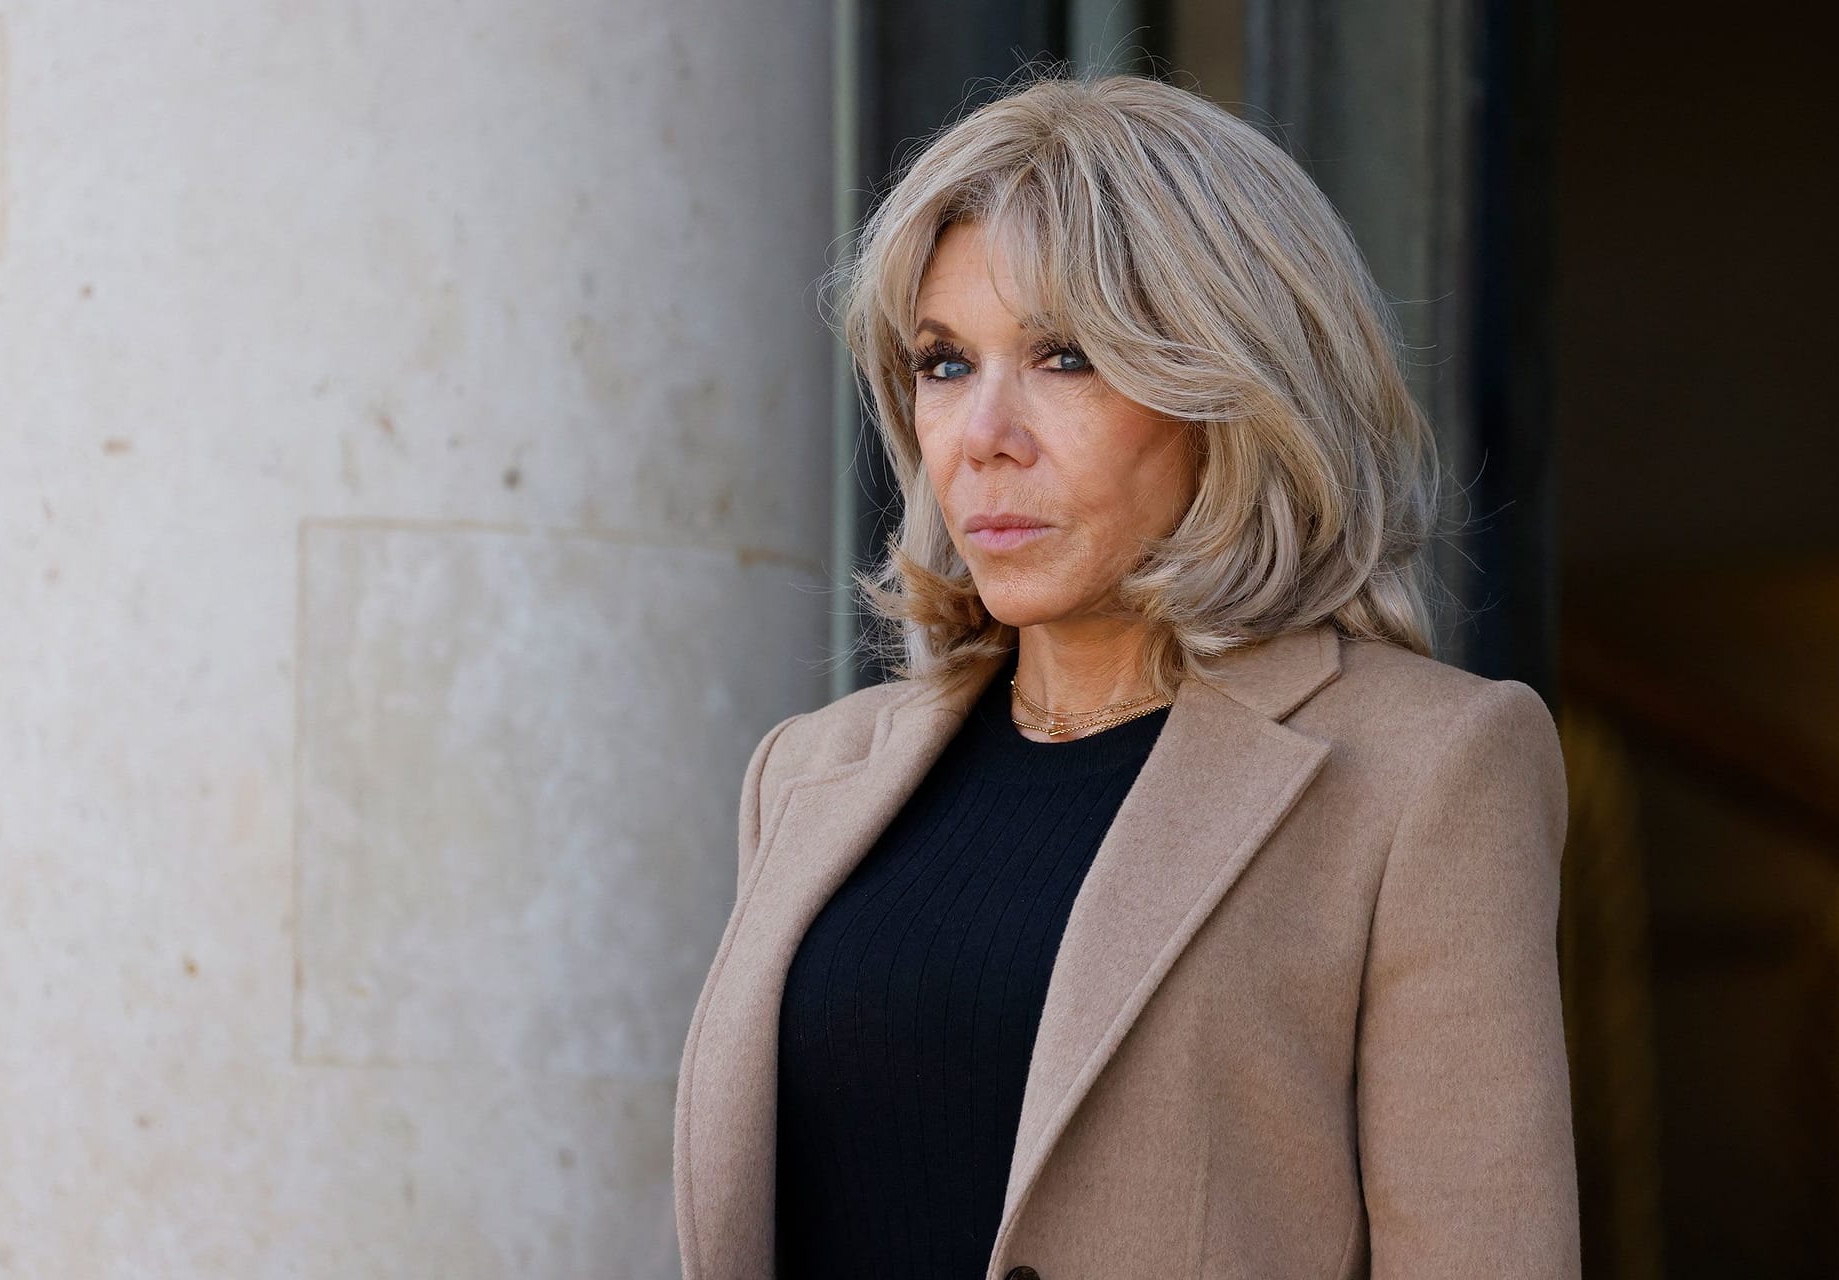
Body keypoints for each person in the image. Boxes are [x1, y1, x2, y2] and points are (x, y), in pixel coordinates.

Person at [672, 72, 1577, 1280]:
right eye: (945, 364)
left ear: (1236, 392)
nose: (982, 437)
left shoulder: (1429, 770)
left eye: (1067, 356)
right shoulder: (810, 772)